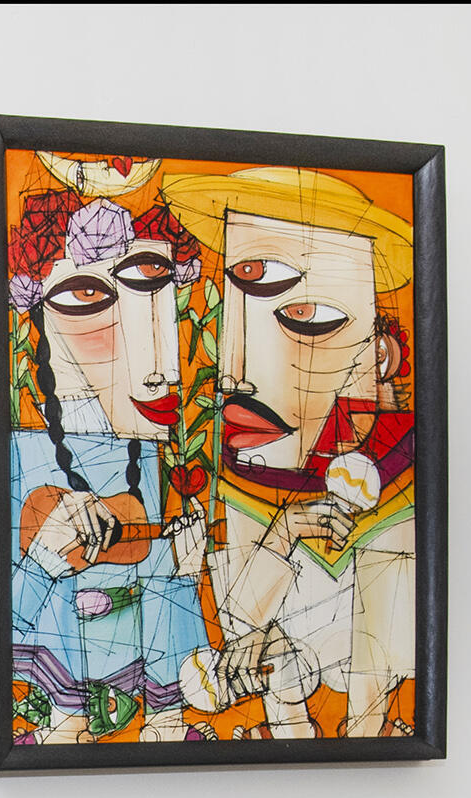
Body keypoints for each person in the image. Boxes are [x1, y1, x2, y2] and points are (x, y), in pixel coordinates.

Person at [160, 167, 418, 738]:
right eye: (233, 315)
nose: (238, 373)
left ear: (379, 358)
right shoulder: (241, 472)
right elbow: (240, 638)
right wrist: (282, 533)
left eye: (304, 316)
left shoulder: (402, 481)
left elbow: (374, 705)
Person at [4, 167, 215, 745]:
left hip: (148, 714)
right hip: (55, 710)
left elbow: (159, 598)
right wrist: (45, 561)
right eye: (88, 296)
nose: (133, 331)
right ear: (38, 313)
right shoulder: (20, 450)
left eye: (155, 289)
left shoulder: (146, 445)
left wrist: (179, 572)